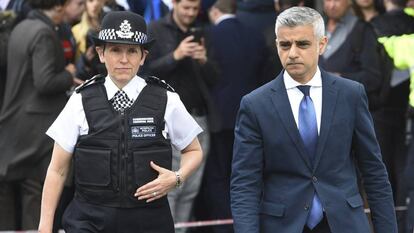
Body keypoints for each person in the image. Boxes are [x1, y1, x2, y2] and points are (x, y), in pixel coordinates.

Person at [231, 6, 397, 233]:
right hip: (284, 225)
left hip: (345, 223)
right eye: (285, 45)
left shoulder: (351, 94)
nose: (292, 53)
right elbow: (245, 183)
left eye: (303, 44)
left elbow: (374, 171)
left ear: (322, 44)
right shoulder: (255, 105)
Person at [38, 11, 203, 233]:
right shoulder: (80, 100)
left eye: (132, 51)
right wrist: (45, 228)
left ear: (143, 57)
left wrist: (177, 178)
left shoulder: (166, 99)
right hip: (89, 221)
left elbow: (193, 150)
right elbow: (57, 170)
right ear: (101, 53)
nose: (124, 60)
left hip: (149, 222)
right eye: (115, 50)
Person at [0, 0, 80, 230]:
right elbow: (44, 82)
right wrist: (68, 73)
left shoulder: (21, 26)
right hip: (37, 126)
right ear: (57, 7)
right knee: (35, 190)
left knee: (11, 194)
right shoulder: (44, 33)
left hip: (15, 121)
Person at [144, 0, 220, 230]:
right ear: (174, 4)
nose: (190, 13)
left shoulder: (203, 32)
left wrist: (203, 60)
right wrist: (175, 55)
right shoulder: (155, 29)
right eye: (186, 7)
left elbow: (215, 78)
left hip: (199, 119)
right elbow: (144, 73)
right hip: (167, 123)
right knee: (171, 187)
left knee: (191, 188)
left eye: (195, 9)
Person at [319, 0, 384, 112]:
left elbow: (373, 78)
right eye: (328, 0)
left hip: (347, 112)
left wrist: (340, 78)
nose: (332, 5)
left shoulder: (362, 30)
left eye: (337, 0)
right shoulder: (315, 28)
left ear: (349, 2)